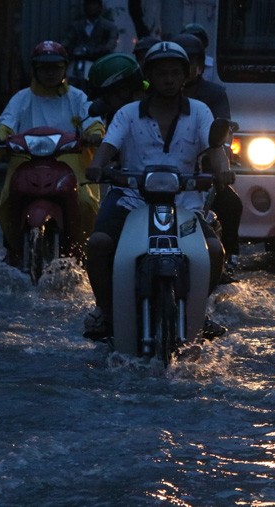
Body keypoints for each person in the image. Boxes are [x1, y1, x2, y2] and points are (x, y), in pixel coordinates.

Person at [82, 41, 233, 340]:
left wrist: (223, 170)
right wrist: (98, 166)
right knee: (99, 243)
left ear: (185, 76)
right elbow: (108, 145)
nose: (168, 79)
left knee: (214, 251)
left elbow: (214, 147)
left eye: (175, 73)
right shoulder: (127, 113)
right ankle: (105, 311)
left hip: (186, 202)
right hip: (131, 199)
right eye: (161, 73)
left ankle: (199, 311)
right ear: (149, 76)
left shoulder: (201, 111)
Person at [0, 40, 104, 266]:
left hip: (68, 159)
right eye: (44, 68)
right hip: (26, 159)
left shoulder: (77, 97)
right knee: (8, 199)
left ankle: (84, 250)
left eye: (55, 67)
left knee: (85, 202)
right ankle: (12, 246)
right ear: (35, 69)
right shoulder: (21, 98)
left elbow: (93, 121)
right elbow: (6, 124)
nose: (50, 73)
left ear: (64, 68)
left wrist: (94, 133)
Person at [171, 33, 241, 278]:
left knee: (231, 203)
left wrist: (220, 166)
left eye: (189, 63)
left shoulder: (211, 96)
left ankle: (229, 255)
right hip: (160, 175)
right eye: (165, 71)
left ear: (200, 65)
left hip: (202, 169)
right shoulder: (146, 102)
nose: (172, 77)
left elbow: (220, 135)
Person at [87, 52, 147, 124]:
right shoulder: (116, 113)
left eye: (106, 97)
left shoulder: (148, 117)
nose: (103, 102)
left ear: (124, 91)